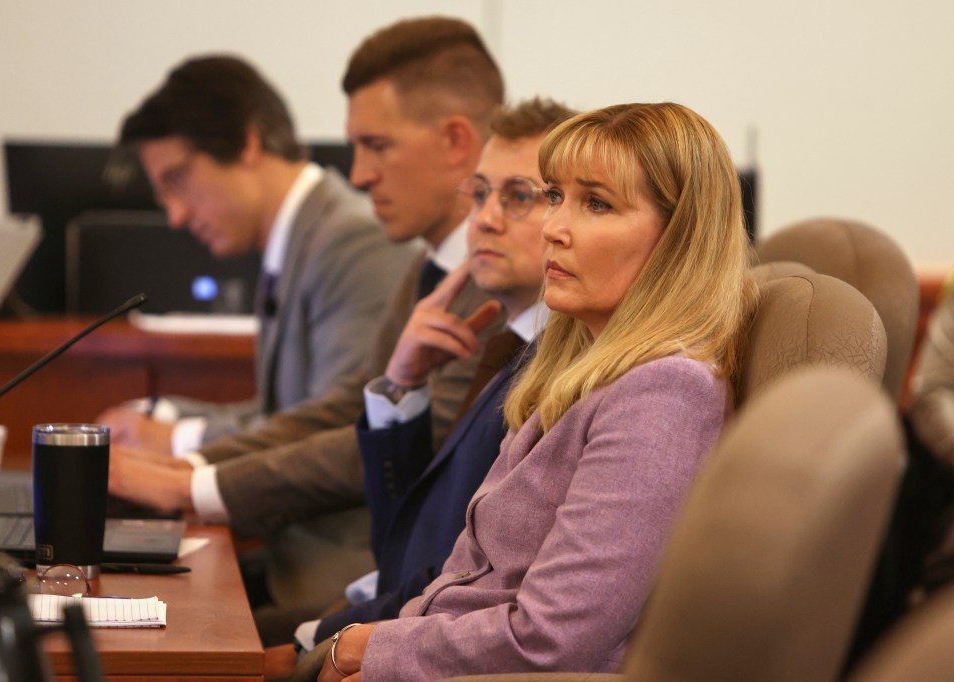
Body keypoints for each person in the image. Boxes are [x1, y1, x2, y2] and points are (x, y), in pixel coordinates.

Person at [316, 102, 759, 681]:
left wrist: (366, 650)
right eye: (555, 196)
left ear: (681, 237)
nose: (554, 227)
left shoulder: (665, 393)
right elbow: (468, 581)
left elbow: (548, 640)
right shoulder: (582, 368)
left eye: (596, 203)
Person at [107, 16, 506, 638]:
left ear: (457, 142)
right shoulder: (424, 270)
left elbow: (372, 443)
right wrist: (190, 470)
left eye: (377, 145)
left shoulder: (463, 276)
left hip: (380, 590)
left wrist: (192, 481)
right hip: (372, 586)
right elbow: (349, 409)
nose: (361, 173)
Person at [284, 98, 573, 653]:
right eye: (481, 193)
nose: (485, 218)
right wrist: (402, 387)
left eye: (518, 197)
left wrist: (311, 640)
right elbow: (408, 541)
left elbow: (463, 579)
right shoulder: (506, 346)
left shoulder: (562, 372)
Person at [97, 55, 418, 451]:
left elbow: (336, 429)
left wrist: (177, 441)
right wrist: (163, 416)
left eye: (178, 180)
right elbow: (282, 413)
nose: (176, 216)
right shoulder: (300, 238)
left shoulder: (354, 242)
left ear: (246, 144)